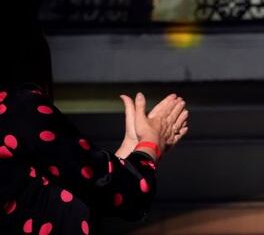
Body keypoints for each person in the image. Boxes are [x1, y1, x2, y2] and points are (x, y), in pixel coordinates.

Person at [1, 18, 189, 234]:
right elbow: (127, 194)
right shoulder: (20, 108)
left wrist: (131, 150)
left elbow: (93, 189)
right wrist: (151, 144)